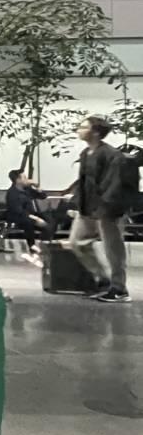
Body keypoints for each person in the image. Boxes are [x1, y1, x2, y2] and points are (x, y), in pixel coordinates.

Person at [70, 116, 131, 303]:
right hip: (87, 208)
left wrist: (106, 207)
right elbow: (83, 182)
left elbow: (114, 184)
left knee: (113, 249)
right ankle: (104, 280)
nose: (79, 130)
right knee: (77, 242)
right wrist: (77, 203)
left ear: (96, 132)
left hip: (107, 209)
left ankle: (119, 288)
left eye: (83, 127)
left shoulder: (112, 155)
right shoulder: (85, 153)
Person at [5, 169, 54, 261]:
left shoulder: (27, 189)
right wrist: (35, 219)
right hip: (18, 217)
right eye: (24, 178)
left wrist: (37, 187)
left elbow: (43, 196)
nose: (27, 179)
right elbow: (18, 211)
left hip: (30, 214)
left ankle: (45, 245)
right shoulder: (12, 193)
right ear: (18, 180)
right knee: (28, 222)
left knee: (49, 219)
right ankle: (32, 247)